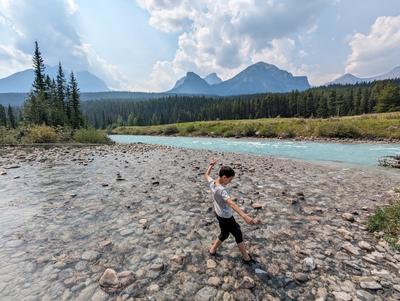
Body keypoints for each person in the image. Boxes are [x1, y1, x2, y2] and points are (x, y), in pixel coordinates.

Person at [204, 159, 259, 263]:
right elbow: (231, 203)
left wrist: (211, 165)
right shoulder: (222, 190)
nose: (230, 182)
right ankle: (246, 258)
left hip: (218, 214)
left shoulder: (212, 183)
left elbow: (206, 175)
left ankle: (212, 250)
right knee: (237, 233)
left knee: (225, 233)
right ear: (224, 177)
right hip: (226, 216)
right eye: (230, 180)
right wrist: (244, 216)